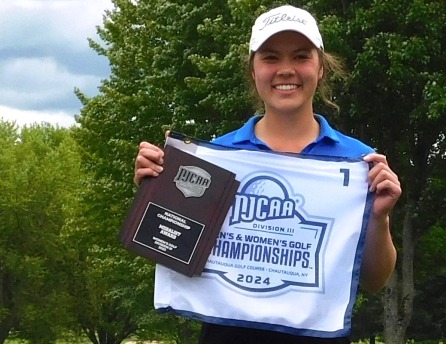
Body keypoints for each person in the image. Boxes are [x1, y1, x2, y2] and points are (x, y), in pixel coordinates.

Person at [134, 4, 401, 344]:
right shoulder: (215, 157)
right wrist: (155, 193)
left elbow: (375, 280)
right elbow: (174, 249)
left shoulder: (358, 161)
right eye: (271, 57)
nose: (286, 70)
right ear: (253, 70)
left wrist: (378, 219)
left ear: (320, 69)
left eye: (301, 57)